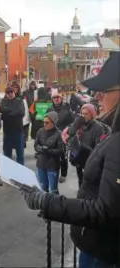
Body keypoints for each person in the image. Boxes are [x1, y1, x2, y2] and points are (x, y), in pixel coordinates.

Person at [20, 52, 120, 268]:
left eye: (104, 91)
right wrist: (81, 151)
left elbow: (106, 212)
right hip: (96, 245)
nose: (97, 97)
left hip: (101, 252)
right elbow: (106, 170)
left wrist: (48, 203)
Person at [66, 103, 104, 187]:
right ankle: (81, 193)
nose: (83, 116)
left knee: (88, 181)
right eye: (82, 113)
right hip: (78, 156)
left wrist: (84, 148)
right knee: (80, 179)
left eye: (86, 114)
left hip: (90, 157)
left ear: (92, 114)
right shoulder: (79, 123)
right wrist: (76, 123)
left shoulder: (98, 127)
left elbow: (100, 145)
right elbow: (71, 133)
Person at [46, 90, 74, 183]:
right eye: (54, 98)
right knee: (53, 156)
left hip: (63, 136)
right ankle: (54, 172)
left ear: (61, 98)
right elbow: (46, 122)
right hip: (53, 135)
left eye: (58, 97)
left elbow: (72, 122)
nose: (56, 99)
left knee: (63, 156)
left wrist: (68, 130)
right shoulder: (49, 109)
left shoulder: (67, 108)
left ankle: (63, 174)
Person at [35, 111, 63, 194]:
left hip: (52, 166)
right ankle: (45, 205)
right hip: (41, 164)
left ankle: (55, 205)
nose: (44, 124)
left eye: (47, 122)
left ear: (53, 123)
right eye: (44, 122)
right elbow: (36, 145)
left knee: (53, 189)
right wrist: (40, 149)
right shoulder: (40, 131)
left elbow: (61, 150)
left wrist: (48, 151)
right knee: (43, 187)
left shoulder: (59, 134)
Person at [0, 86, 25, 165]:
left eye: (11, 92)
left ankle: (20, 171)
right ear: (6, 94)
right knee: (7, 153)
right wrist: (13, 111)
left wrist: (7, 114)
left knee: (20, 154)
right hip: (7, 132)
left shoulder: (19, 101)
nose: (10, 94)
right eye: (8, 93)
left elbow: (21, 112)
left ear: (14, 93)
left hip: (18, 131)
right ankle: (8, 171)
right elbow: (1, 109)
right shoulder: (3, 101)